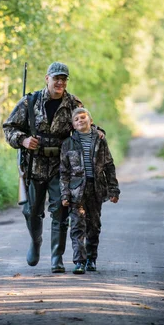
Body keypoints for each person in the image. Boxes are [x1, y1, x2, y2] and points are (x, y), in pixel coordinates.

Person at [3, 62, 99, 273]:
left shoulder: (73, 103)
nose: (60, 82)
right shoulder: (30, 101)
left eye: (64, 79)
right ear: (47, 78)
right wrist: (23, 140)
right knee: (31, 211)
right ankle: (35, 242)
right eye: (56, 78)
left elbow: (85, 124)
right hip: (34, 166)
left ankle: (57, 258)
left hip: (61, 168)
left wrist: (97, 133)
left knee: (61, 212)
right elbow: (9, 128)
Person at [60, 107, 120, 274]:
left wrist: (114, 189)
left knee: (94, 226)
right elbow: (64, 172)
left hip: (96, 189)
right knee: (77, 227)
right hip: (76, 192)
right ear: (73, 125)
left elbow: (109, 165)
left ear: (90, 120)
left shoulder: (100, 140)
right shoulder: (68, 143)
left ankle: (91, 259)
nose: (80, 120)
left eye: (83, 117)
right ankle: (79, 261)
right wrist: (65, 194)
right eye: (76, 119)